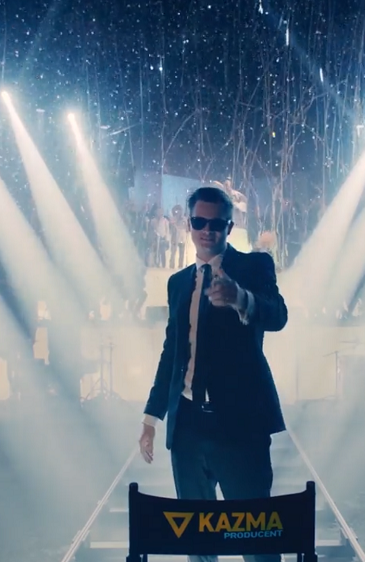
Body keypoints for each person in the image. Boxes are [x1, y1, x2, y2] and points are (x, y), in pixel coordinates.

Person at [138, 186, 287, 562]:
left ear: (229, 227)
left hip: (240, 424)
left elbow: (278, 315)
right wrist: (151, 417)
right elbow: (172, 353)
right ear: (188, 225)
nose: (207, 230)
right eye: (199, 222)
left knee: (256, 540)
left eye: (216, 223)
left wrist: (241, 298)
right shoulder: (178, 282)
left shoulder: (255, 266)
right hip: (188, 426)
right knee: (197, 544)